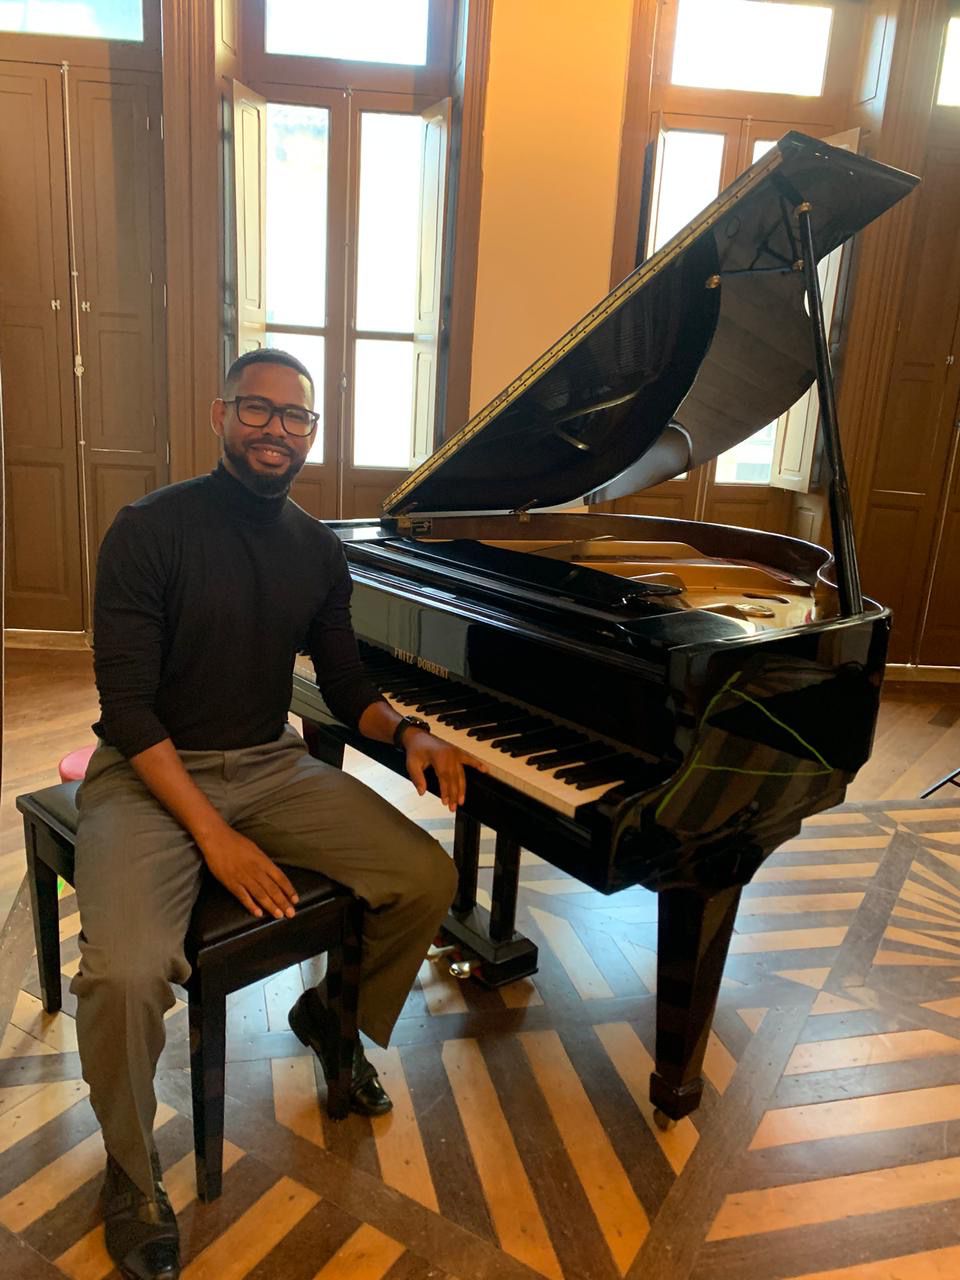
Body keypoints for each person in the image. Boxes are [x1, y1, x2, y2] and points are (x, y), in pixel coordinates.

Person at [72, 348, 479, 1280]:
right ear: (220, 415)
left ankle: (332, 1017)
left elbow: (343, 680)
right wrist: (213, 837)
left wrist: (407, 731)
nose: (277, 430)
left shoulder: (318, 551)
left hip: (266, 763)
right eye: (257, 409)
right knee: (127, 973)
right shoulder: (148, 529)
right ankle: (130, 1169)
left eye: (296, 417)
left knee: (426, 876)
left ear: (311, 435)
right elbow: (126, 709)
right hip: (147, 772)